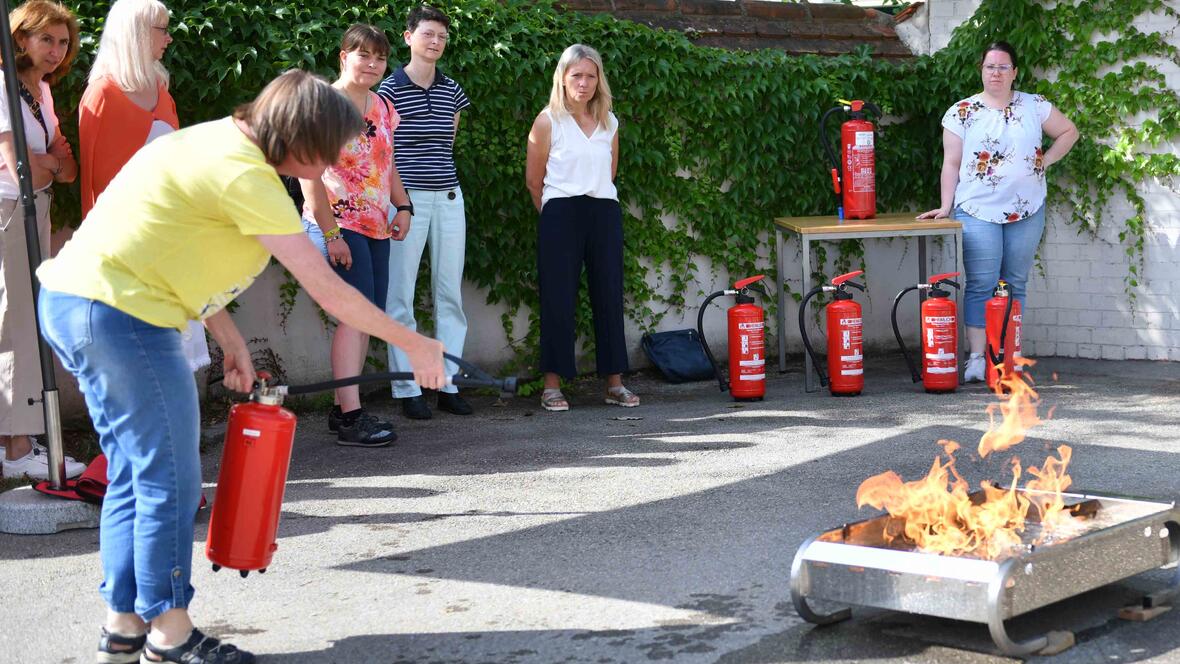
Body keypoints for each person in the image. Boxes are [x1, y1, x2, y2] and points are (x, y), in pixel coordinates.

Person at [37, 70, 446, 664]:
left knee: (133, 474)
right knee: (170, 481)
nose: (330, 163)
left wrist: (227, 336)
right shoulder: (247, 176)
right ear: (299, 137)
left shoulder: (215, 142)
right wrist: (415, 344)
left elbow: (167, 244)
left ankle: (124, 627)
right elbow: (328, 289)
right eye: (326, 150)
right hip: (121, 317)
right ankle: (170, 633)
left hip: (85, 303)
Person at [918, 40, 1078, 382]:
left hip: (1027, 210)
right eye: (990, 66)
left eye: (1003, 67)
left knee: (1015, 282)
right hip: (977, 210)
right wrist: (946, 205)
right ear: (981, 70)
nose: (996, 73)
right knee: (982, 283)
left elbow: (1069, 132)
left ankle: (1009, 355)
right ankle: (979, 358)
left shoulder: (1034, 106)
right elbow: (951, 163)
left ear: (1014, 72)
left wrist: (1046, 160)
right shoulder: (962, 111)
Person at [300, 24, 414, 447]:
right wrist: (331, 235)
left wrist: (403, 206)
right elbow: (308, 177)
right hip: (337, 226)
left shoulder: (382, 105)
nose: (372, 64)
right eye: (363, 55)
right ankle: (351, 418)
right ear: (343, 56)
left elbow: (387, 161)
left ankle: (341, 409)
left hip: (375, 226)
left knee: (365, 318)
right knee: (355, 315)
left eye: (380, 57)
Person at [79, 0, 208, 371]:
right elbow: (94, 187)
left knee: (175, 358)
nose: (169, 38)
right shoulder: (101, 94)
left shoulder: (161, 90)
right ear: (135, 32)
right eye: (162, 29)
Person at [525, 44, 638, 412]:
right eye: (577, 75)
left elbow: (610, 172)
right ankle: (552, 386)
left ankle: (614, 383)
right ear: (563, 77)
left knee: (609, 294)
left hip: (603, 211)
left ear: (599, 80)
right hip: (560, 212)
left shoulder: (610, 122)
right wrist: (556, 216)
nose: (584, 83)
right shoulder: (548, 121)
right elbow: (534, 181)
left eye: (591, 76)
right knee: (557, 297)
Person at [376, 4, 473, 420]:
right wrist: (401, 201)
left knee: (450, 294)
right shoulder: (388, 90)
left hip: (449, 197)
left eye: (442, 36)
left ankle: (447, 382)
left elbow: (446, 144)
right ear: (408, 37)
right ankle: (407, 387)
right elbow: (384, 153)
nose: (435, 42)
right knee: (400, 295)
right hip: (405, 202)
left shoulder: (452, 90)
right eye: (428, 34)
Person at [0, 0, 83, 480]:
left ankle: (15, 440)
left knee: (26, 318)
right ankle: (18, 447)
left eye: (63, 42)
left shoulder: (42, 92)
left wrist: (46, 162)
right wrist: (45, 162)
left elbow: (66, 170)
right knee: (17, 321)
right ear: (21, 38)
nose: (56, 50)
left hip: (35, 210)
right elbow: (24, 171)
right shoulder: (2, 86)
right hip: (11, 210)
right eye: (46, 39)